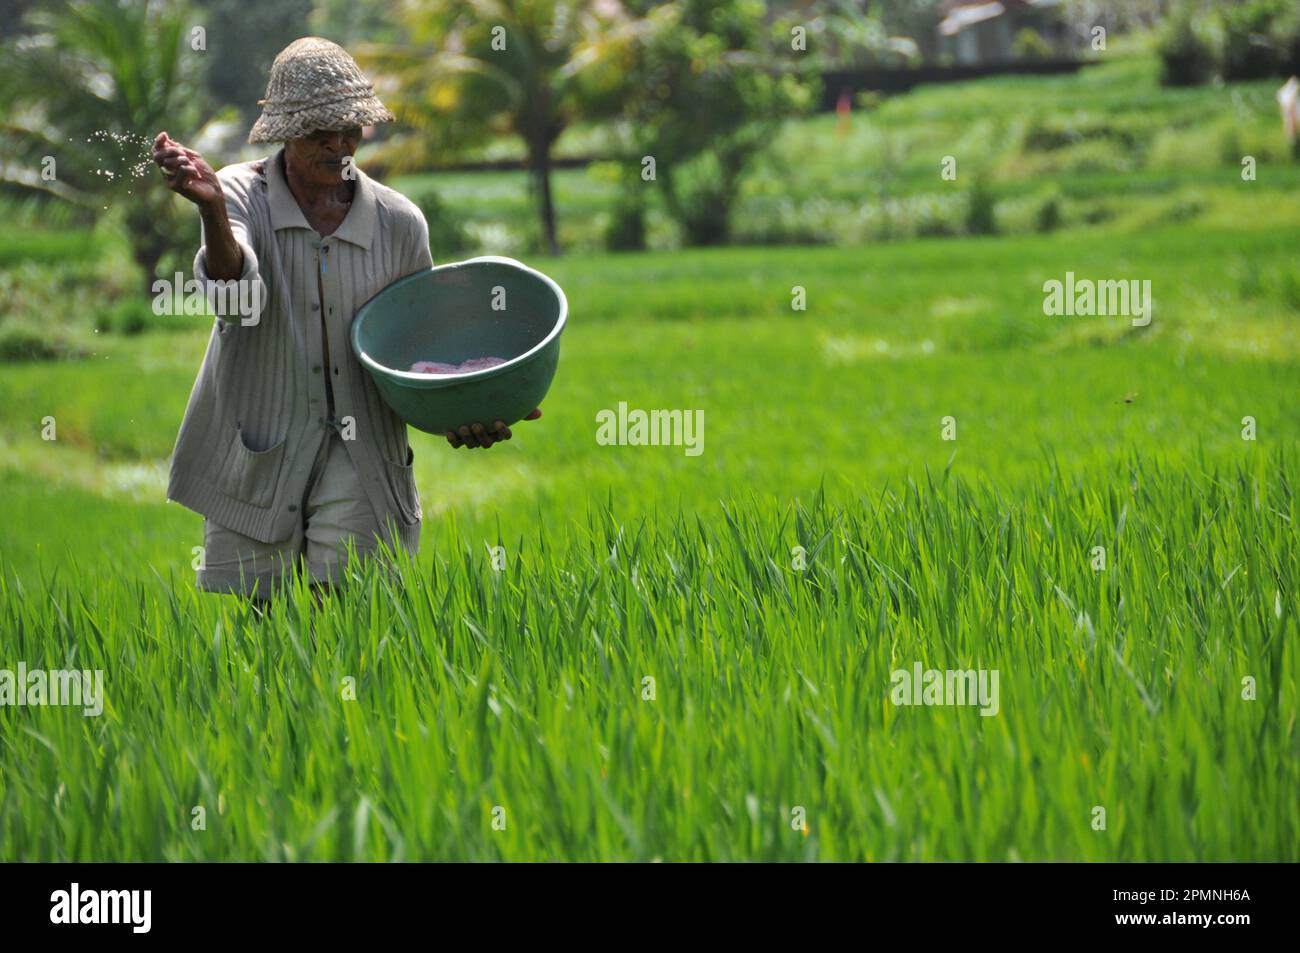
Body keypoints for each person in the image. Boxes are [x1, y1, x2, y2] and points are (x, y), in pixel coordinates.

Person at [153, 36, 540, 604]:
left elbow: (420, 346)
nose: (339, 145)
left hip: (363, 453)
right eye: (319, 133)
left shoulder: (398, 222)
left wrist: (477, 405)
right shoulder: (237, 193)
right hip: (260, 444)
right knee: (267, 628)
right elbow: (236, 301)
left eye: (349, 129)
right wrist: (211, 210)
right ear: (286, 132)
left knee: (347, 618)